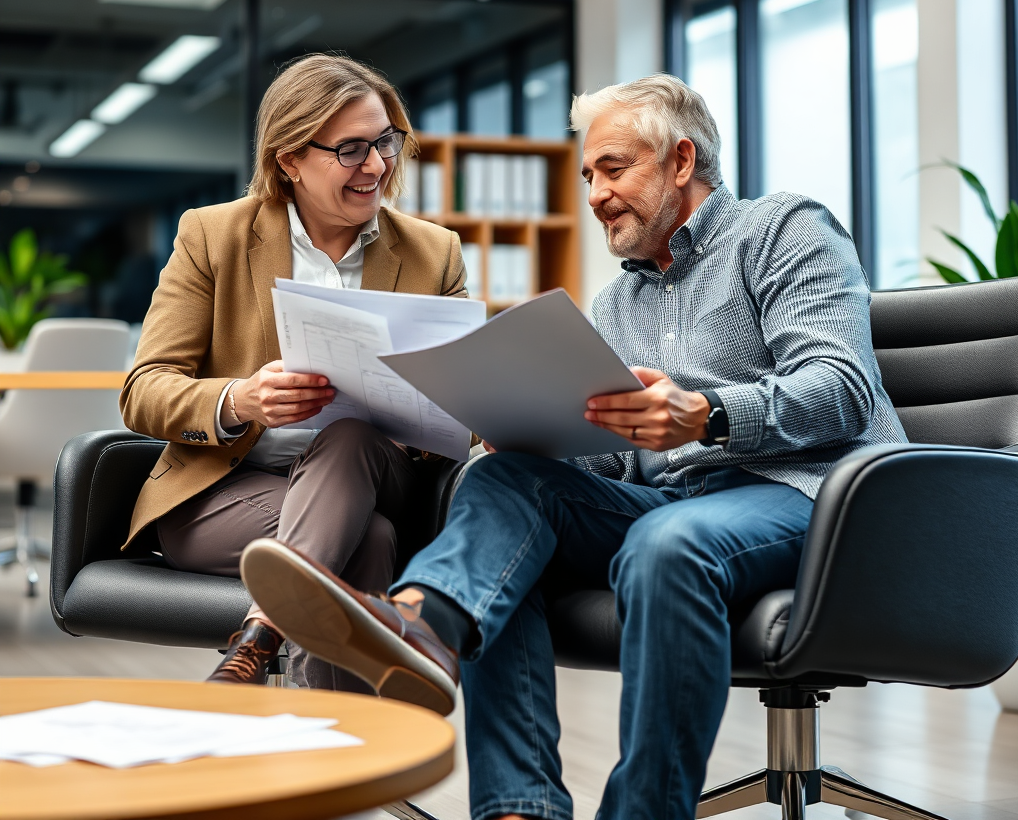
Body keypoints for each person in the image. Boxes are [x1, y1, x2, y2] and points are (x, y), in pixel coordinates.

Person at [239, 74, 907, 820]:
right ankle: (458, 688)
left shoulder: (783, 229)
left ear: (681, 161)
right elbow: (616, 461)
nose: (593, 194)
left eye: (613, 168)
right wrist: (525, 428)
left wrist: (708, 414)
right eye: (587, 174)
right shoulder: (615, 302)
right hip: (673, 501)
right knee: (499, 484)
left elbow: (842, 388)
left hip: (809, 496)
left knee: (666, 542)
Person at [119, 53, 467, 689]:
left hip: (378, 469)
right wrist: (241, 400)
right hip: (223, 496)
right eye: (352, 149)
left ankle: (260, 635)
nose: (379, 166)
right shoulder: (212, 235)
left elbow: (468, 394)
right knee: (365, 543)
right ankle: (340, 764)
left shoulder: (433, 252)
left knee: (351, 437)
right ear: (289, 160)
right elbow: (145, 391)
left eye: (386, 141)